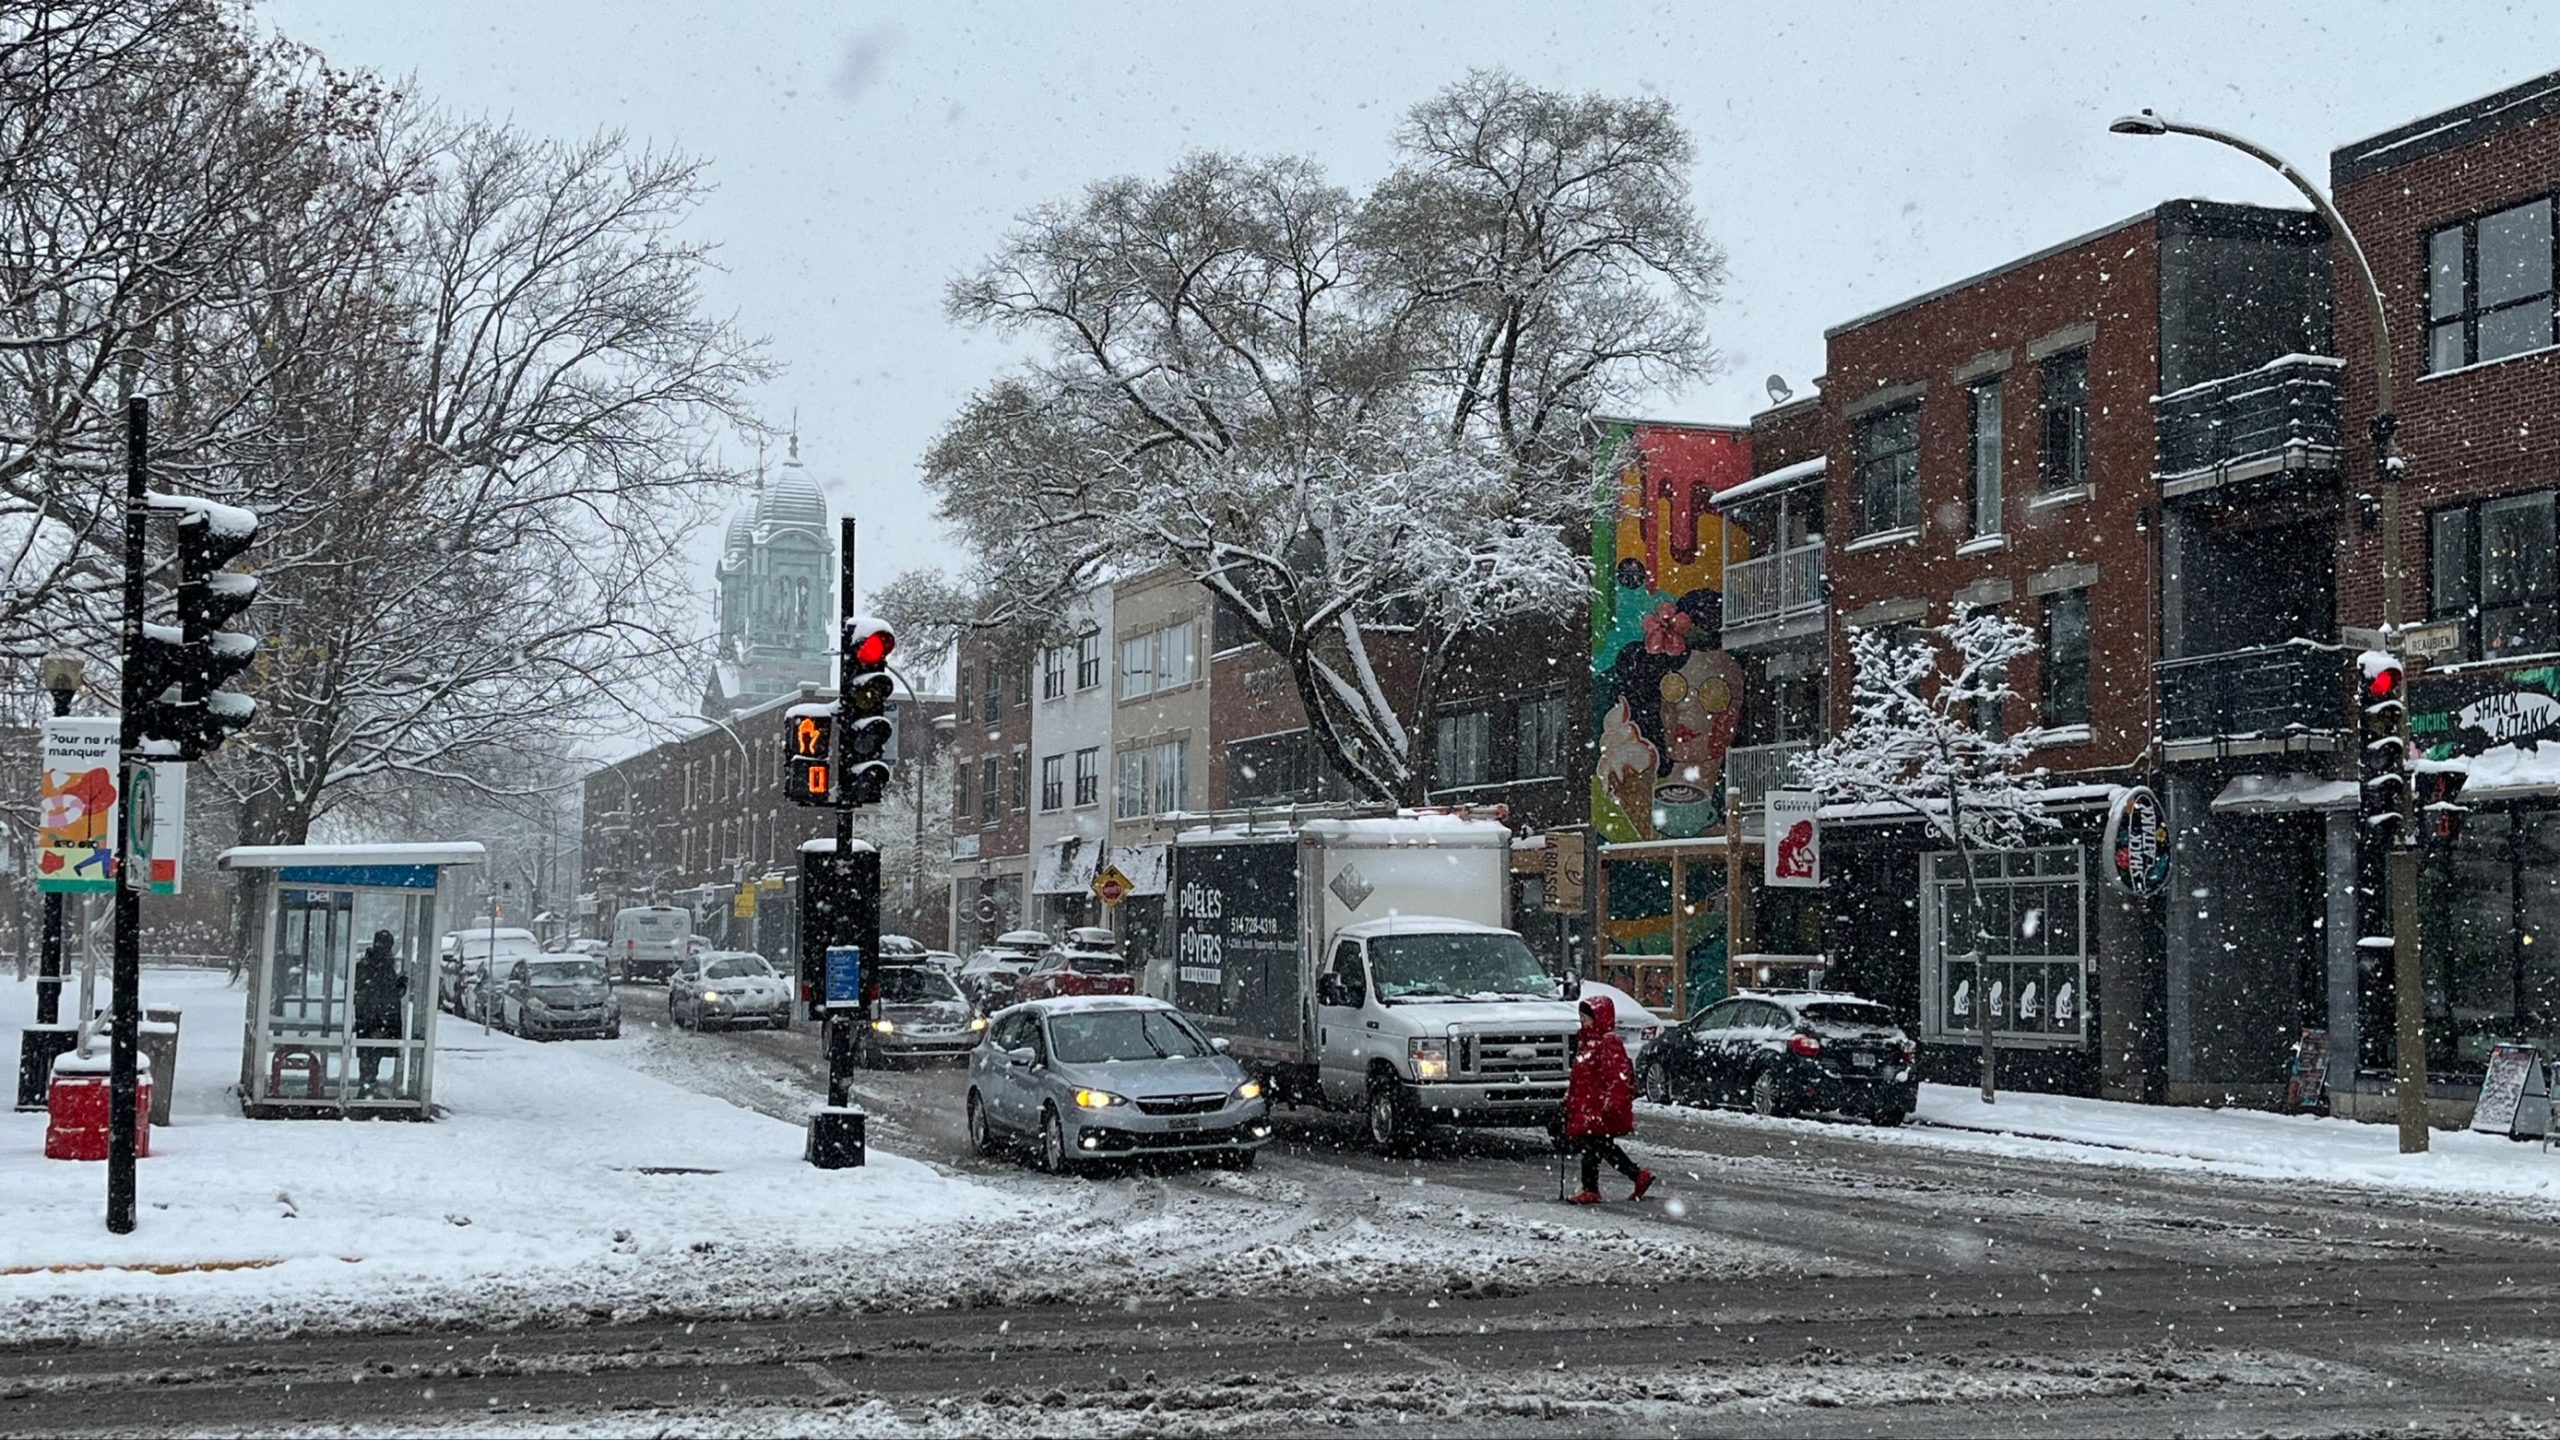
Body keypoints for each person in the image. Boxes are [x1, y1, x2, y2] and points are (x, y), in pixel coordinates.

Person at [1563, 991, 1654, 1205]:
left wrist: (1612, 1102)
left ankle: (1598, 1186)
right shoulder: (1588, 1044)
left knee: (1596, 1147)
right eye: (1582, 1019)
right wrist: (1569, 1100)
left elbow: (1618, 1076)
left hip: (1599, 1108)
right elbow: (1581, 1079)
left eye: (1586, 1019)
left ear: (1598, 1018)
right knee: (1598, 1147)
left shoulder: (1607, 1043)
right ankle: (1627, 1178)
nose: (1583, 1023)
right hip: (1590, 1106)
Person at [353, 930, 407, 1098]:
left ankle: (367, 1083)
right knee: (373, 1052)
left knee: (370, 1052)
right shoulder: (382, 965)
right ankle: (368, 1085)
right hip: (379, 1016)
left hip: (368, 1015)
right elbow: (387, 992)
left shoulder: (367, 963)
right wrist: (401, 985)